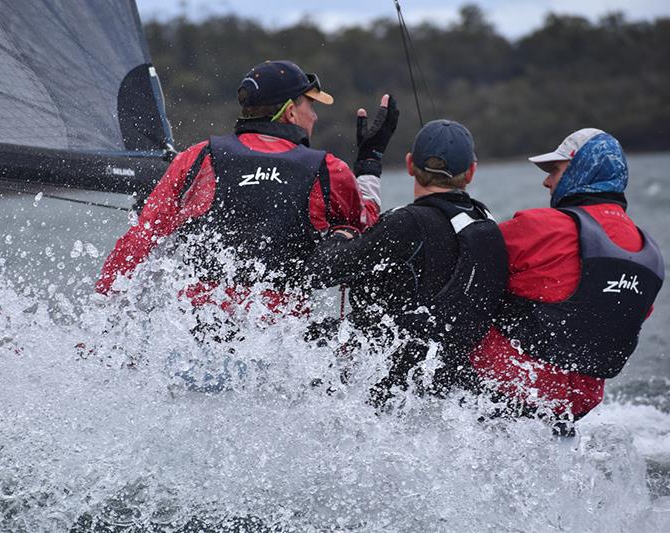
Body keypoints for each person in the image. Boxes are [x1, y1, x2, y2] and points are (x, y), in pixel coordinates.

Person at [96, 60, 399, 318]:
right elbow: (367, 229)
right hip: (279, 340)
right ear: (291, 112)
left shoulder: (199, 157)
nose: (316, 116)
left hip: (195, 331)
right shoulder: (328, 169)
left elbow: (142, 236)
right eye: (311, 105)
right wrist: (370, 159)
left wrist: (102, 307)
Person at [469, 128, 664, 427]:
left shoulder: (541, 227)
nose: (546, 181)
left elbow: (465, 259)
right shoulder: (649, 255)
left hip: (499, 396)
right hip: (572, 412)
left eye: (555, 171)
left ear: (583, 171)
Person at [305, 119, 508, 405]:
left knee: (303, 336)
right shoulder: (488, 225)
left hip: (389, 390)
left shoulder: (405, 224)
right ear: (471, 172)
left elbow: (322, 272)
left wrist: (341, 233)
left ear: (410, 164)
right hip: (451, 388)